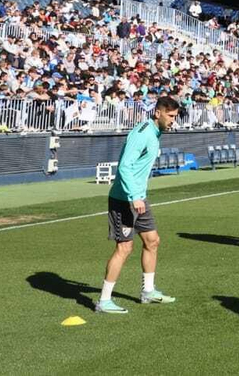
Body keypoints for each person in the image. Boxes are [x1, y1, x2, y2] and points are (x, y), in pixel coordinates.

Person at [96, 95, 181, 313]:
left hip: (139, 198)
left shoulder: (156, 132)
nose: (173, 120)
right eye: (170, 116)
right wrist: (134, 195)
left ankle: (148, 292)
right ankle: (104, 301)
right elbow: (124, 166)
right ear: (158, 113)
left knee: (152, 241)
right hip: (124, 199)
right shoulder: (142, 133)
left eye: (175, 116)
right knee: (124, 248)